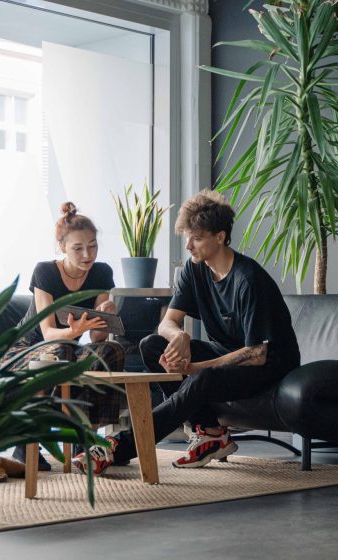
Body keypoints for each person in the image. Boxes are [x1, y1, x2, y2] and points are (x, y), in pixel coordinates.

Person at [72, 190, 300, 474]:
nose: (189, 246)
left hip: (268, 364)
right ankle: (209, 432)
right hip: (226, 353)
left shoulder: (248, 279)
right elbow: (167, 322)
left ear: (220, 236)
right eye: (186, 237)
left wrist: (195, 366)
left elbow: (256, 353)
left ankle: (119, 446)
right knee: (153, 345)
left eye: (197, 238)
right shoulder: (194, 270)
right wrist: (178, 336)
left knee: (201, 377)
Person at [1, 202, 126, 470]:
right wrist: (74, 331)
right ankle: (25, 445)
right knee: (62, 348)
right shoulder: (45, 271)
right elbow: (47, 332)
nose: (87, 254)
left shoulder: (102, 272)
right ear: (62, 248)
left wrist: (107, 313)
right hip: (26, 349)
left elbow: (97, 339)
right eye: (78, 248)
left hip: (66, 347)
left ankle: (85, 441)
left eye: (92, 245)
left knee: (111, 352)